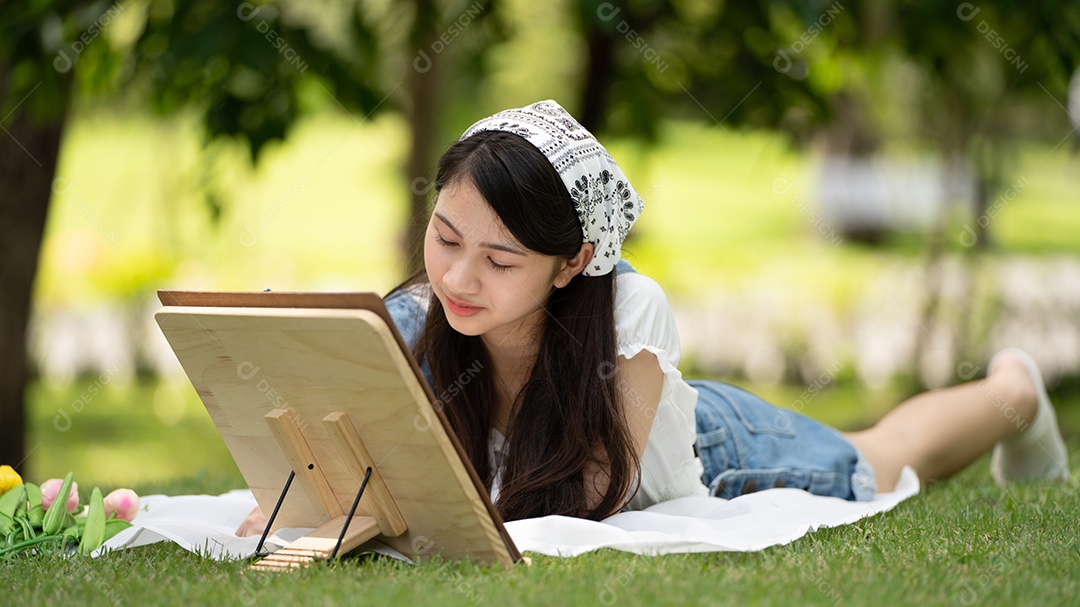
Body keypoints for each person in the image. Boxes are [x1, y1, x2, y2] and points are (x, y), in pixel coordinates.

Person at [235, 100, 1070, 535]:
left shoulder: (631, 311)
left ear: (572, 264)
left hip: (721, 450)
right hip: (640, 427)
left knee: (885, 457)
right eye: (446, 237)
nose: (457, 276)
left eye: (500, 261)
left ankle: (1016, 392)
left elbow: (600, 494)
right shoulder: (416, 313)